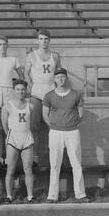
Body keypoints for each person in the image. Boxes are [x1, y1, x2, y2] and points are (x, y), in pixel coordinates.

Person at [42, 68, 89, 203]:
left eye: (63, 77)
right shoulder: (49, 95)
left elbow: (81, 111)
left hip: (72, 131)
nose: (60, 79)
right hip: (55, 132)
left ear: (66, 78)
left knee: (76, 163)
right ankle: (52, 196)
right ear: (54, 79)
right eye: (58, 77)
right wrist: (51, 125)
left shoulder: (75, 94)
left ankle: (80, 195)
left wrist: (75, 122)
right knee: (55, 164)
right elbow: (45, 113)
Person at [25, 29, 61, 169]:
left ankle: (55, 156)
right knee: (34, 126)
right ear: (37, 40)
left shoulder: (55, 56)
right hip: (37, 94)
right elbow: (26, 73)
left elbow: (60, 72)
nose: (43, 41)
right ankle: (34, 157)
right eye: (41, 39)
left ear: (49, 40)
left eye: (46, 39)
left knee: (53, 126)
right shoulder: (31, 56)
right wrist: (31, 85)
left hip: (51, 93)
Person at [0, 36, 23, 171]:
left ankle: (9, 156)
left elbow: (21, 76)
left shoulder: (13, 60)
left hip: (8, 93)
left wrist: (18, 90)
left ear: (7, 46)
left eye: (4, 44)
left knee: (7, 125)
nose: (2, 46)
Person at [1, 79, 35, 204]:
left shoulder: (30, 106)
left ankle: (30, 196)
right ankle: (9, 196)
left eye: (23, 89)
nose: (21, 92)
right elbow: (4, 124)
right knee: (10, 169)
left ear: (26, 91)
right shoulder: (7, 106)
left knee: (28, 169)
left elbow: (32, 125)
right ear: (14, 91)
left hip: (26, 138)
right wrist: (10, 136)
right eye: (18, 89)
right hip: (13, 139)